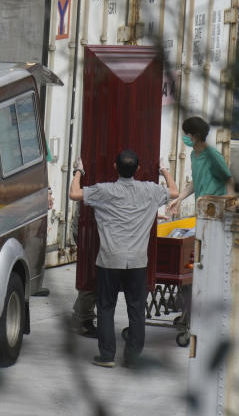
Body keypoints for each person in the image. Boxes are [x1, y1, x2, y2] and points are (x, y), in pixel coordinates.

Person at [69, 150, 178, 368]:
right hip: (137, 260)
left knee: (106, 307)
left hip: (109, 259)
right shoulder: (151, 190)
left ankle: (107, 355)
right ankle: (133, 357)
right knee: (136, 309)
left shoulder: (104, 190)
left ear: (114, 167)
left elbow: (74, 194)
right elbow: (174, 192)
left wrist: (79, 170)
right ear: (138, 170)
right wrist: (163, 169)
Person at [167, 116, 234, 216]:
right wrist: (179, 199)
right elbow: (196, 181)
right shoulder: (194, 155)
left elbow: (229, 179)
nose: (184, 136)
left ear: (196, 136)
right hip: (201, 208)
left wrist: (230, 206)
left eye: (186, 134)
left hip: (215, 210)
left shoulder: (212, 155)